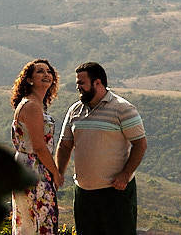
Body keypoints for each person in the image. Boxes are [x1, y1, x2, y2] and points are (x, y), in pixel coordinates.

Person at [54, 62, 147, 235]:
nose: (78, 87)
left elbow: (140, 144)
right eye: (77, 83)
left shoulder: (123, 108)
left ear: (97, 82)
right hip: (84, 193)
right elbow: (65, 144)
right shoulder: (75, 110)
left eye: (81, 83)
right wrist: (59, 172)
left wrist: (126, 174)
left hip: (116, 192)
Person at [10, 58, 63, 234]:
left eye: (49, 71)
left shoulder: (36, 104)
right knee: (39, 220)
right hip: (35, 168)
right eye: (40, 71)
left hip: (28, 166)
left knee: (31, 222)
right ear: (30, 79)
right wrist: (55, 172)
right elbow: (39, 147)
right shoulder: (32, 106)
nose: (46, 74)